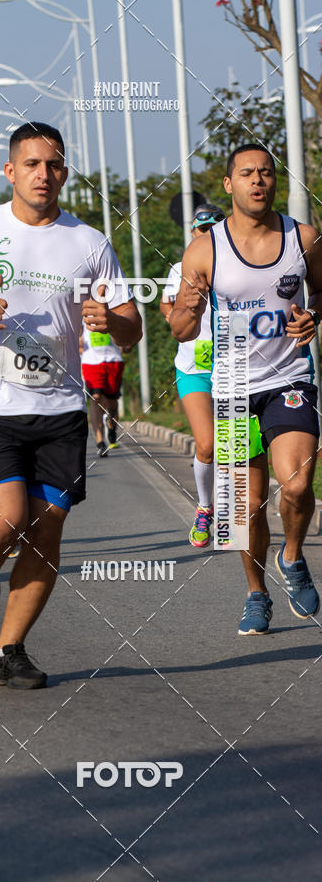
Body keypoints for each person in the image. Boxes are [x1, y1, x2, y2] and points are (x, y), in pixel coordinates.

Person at [0, 121, 142, 688]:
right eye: (32, 164)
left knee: (45, 532)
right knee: (5, 521)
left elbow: (132, 327)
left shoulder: (89, 242)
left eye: (54, 164)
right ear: (10, 171)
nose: (44, 174)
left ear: (65, 172)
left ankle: (9, 650)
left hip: (61, 410)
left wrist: (110, 321)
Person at [171, 143, 322, 634]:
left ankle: (292, 556)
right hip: (233, 385)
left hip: (288, 378)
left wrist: (313, 315)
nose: (258, 180)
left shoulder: (303, 238)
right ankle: (257, 593)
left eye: (266, 172)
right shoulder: (205, 249)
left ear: (275, 180)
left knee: (296, 483)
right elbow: (180, 327)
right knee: (245, 507)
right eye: (246, 173)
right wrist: (188, 311)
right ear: (228, 184)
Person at [160, 204, 225, 546]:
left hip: (235, 367)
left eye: (216, 226)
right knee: (207, 443)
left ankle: (236, 513)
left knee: (237, 447)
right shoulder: (180, 268)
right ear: (193, 232)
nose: (209, 233)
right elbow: (166, 304)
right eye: (203, 228)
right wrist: (178, 315)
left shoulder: (238, 265)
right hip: (193, 368)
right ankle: (204, 508)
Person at [80, 319, 125, 458]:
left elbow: (124, 331)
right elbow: (76, 334)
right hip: (91, 361)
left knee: (112, 402)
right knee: (95, 398)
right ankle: (100, 442)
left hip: (114, 360)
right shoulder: (80, 308)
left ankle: (111, 425)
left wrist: (125, 343)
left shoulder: (113, 308)